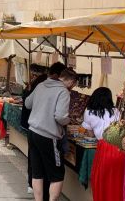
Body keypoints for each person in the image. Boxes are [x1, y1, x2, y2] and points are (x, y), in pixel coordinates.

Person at [25, 65, 76, 201]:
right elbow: (60, 116)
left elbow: (27, 103)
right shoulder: (63, 92)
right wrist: (68, 120)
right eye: (73, 85)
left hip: (33, 132)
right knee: (57, 174)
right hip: (48, 136)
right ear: (71, 82)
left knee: (37, 172)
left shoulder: (41, 85)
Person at [82, 87, 124, 201]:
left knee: (101, 180)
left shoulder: (89, 112)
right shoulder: (116, 111)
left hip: (104, 148)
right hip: (119, 148)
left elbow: (90, 135)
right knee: (116, 181)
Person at [21, 64, 50, 195]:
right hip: (39, 128)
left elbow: (27, 102)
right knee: (38, 160)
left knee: (33, 157)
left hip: (32, 126)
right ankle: (35, 184)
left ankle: (31, 183)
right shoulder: (40, 87)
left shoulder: (35, 86)